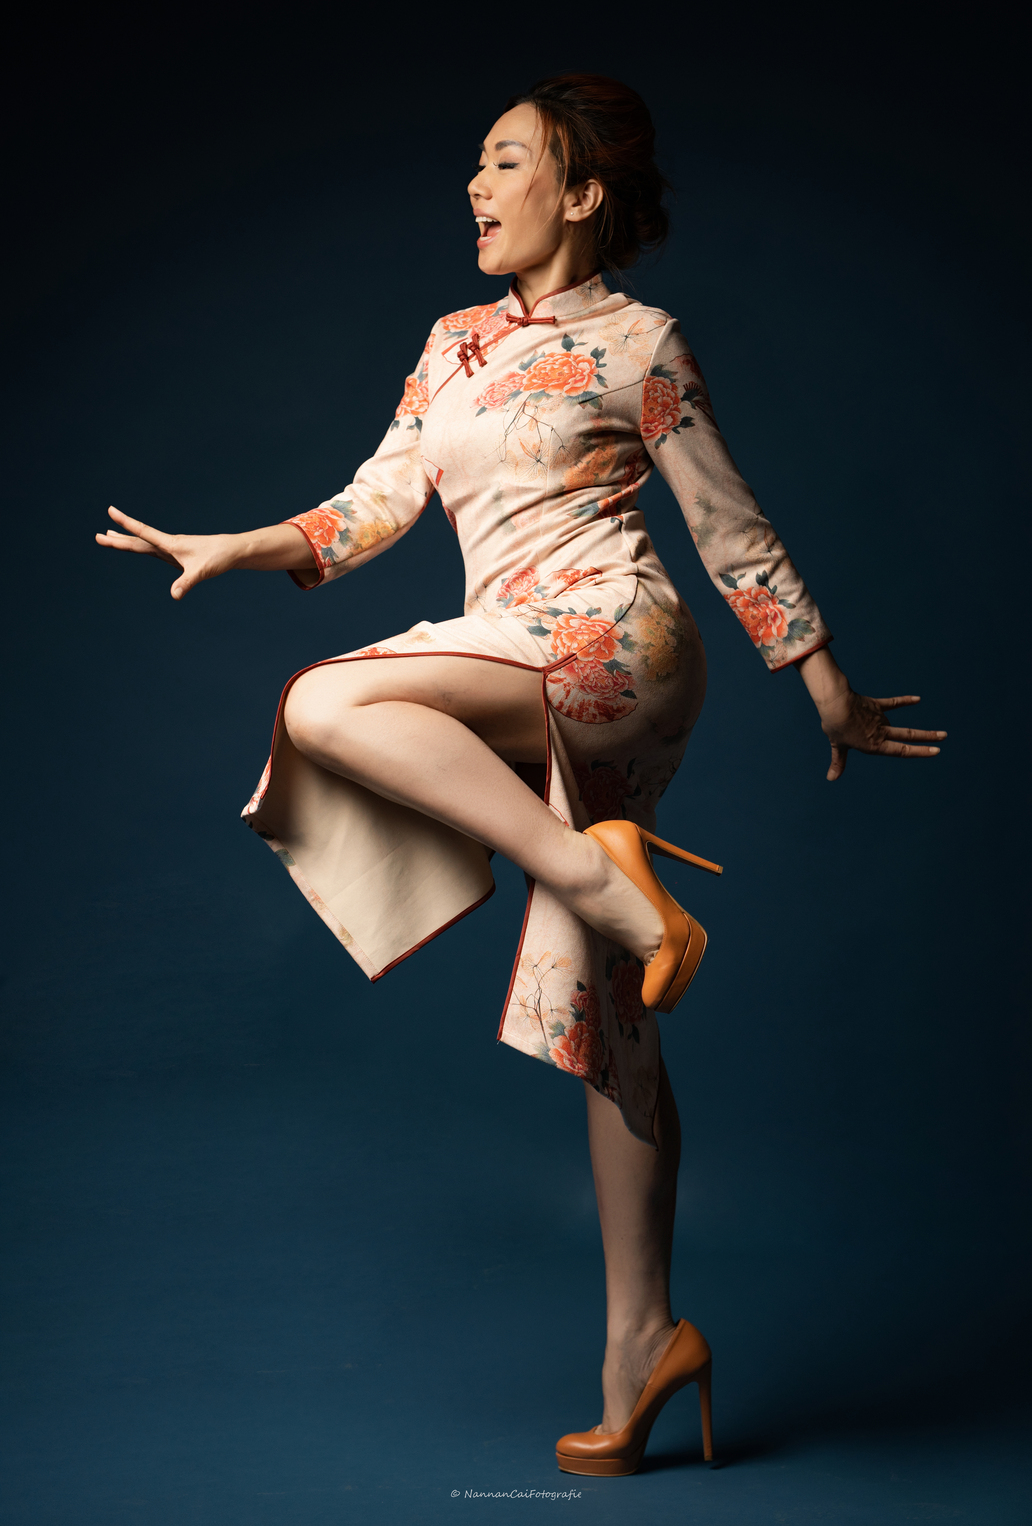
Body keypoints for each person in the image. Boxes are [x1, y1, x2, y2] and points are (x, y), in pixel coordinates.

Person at [96, 73, 945, 1477]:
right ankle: (644, 1343)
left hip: (617, 638)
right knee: (610, 1018)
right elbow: (376, 504)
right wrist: (241, 545)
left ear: (583, 190)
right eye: (477, 166)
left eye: (505, 163)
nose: (476, 188)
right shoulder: (451, 343)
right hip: (514, 651)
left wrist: (825, 684)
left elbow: (725, 519)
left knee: (326, 704)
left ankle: (602, 881)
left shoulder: (640, 341)